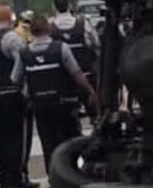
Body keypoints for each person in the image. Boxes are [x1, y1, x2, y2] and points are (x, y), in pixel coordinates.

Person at [11, 14, 98, 177]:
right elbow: (76, 73)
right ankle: (75, 173)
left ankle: (54, 177)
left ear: (31, 31)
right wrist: (90, 90)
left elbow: (15, 79)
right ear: (48, 29)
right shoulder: (61, 48)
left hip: (40, 104)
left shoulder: (24, 53)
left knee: (48, 141)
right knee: (71, 139)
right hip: (65, 102)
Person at [0, 5, 36, 188]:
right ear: (9, 18)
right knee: (17, 137)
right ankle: (17, 178)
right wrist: (19, 86)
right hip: (11, 94)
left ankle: (3, 178)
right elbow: (23, 61)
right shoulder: (10, 38)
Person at [49, 0, 100, 98]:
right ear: (70, 6)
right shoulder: (83, 23)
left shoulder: (50, 26)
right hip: (85, 73)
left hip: (60, 77)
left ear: (54, 8)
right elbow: (96, 43)